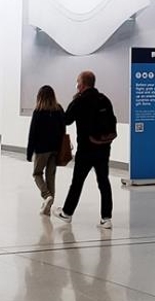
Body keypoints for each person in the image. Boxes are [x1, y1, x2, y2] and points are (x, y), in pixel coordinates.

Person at [55, 70, 117, 229]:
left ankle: (67, 213)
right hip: (103, 148)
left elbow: (66, 120)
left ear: (81, 84)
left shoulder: (80, 101)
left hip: (86, 149)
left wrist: (60, 107)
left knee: (77, 182)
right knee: (104, 182)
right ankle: (106, 218)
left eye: (77, 81)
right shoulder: (104, 100)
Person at [26, 84, 66, 216]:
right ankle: (48, 207)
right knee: (51, 176)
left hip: (42, 149)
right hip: (55, 149)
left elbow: (33, 133)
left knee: (37, 173)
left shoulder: (38, 111)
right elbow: (63, 129)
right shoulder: (59, 109)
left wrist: (29, 152)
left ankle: (46, 196)